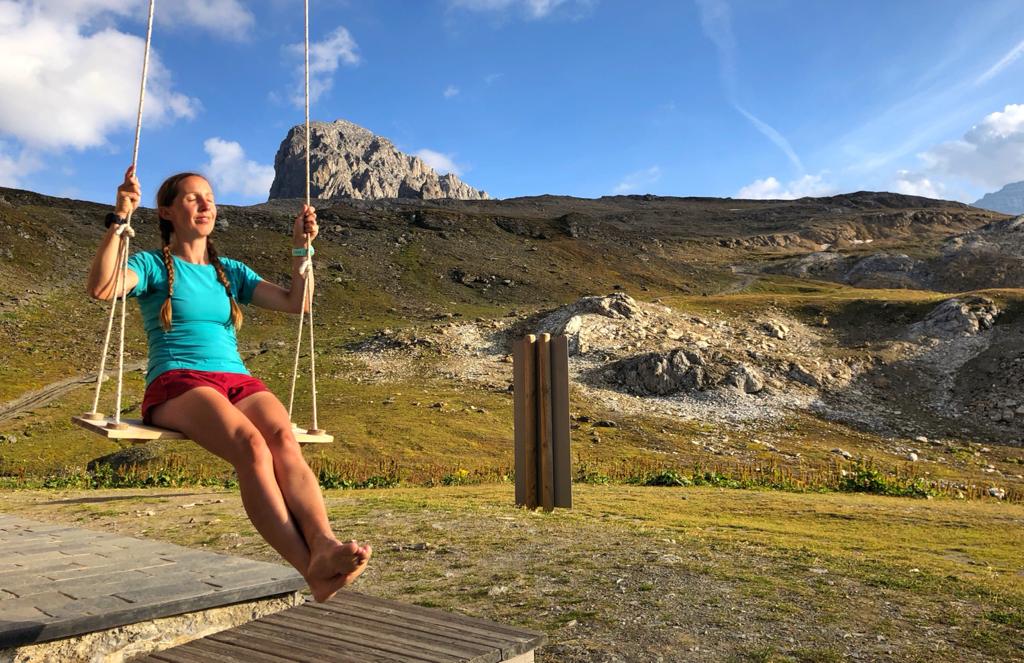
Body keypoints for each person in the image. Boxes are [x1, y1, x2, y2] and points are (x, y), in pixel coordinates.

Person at [86, 166, 371, 602]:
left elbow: (299, 303)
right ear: (165, 210)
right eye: (192, 198)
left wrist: (301, 246)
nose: (205, 205)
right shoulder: (150, 265)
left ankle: (325, 544)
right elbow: (104, 288)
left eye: (210, 198)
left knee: (282, 440)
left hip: (235, 378)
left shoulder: (229, 272)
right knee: (250, 446)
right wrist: (120, 220)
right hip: (178, 379)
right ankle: (308, 565)